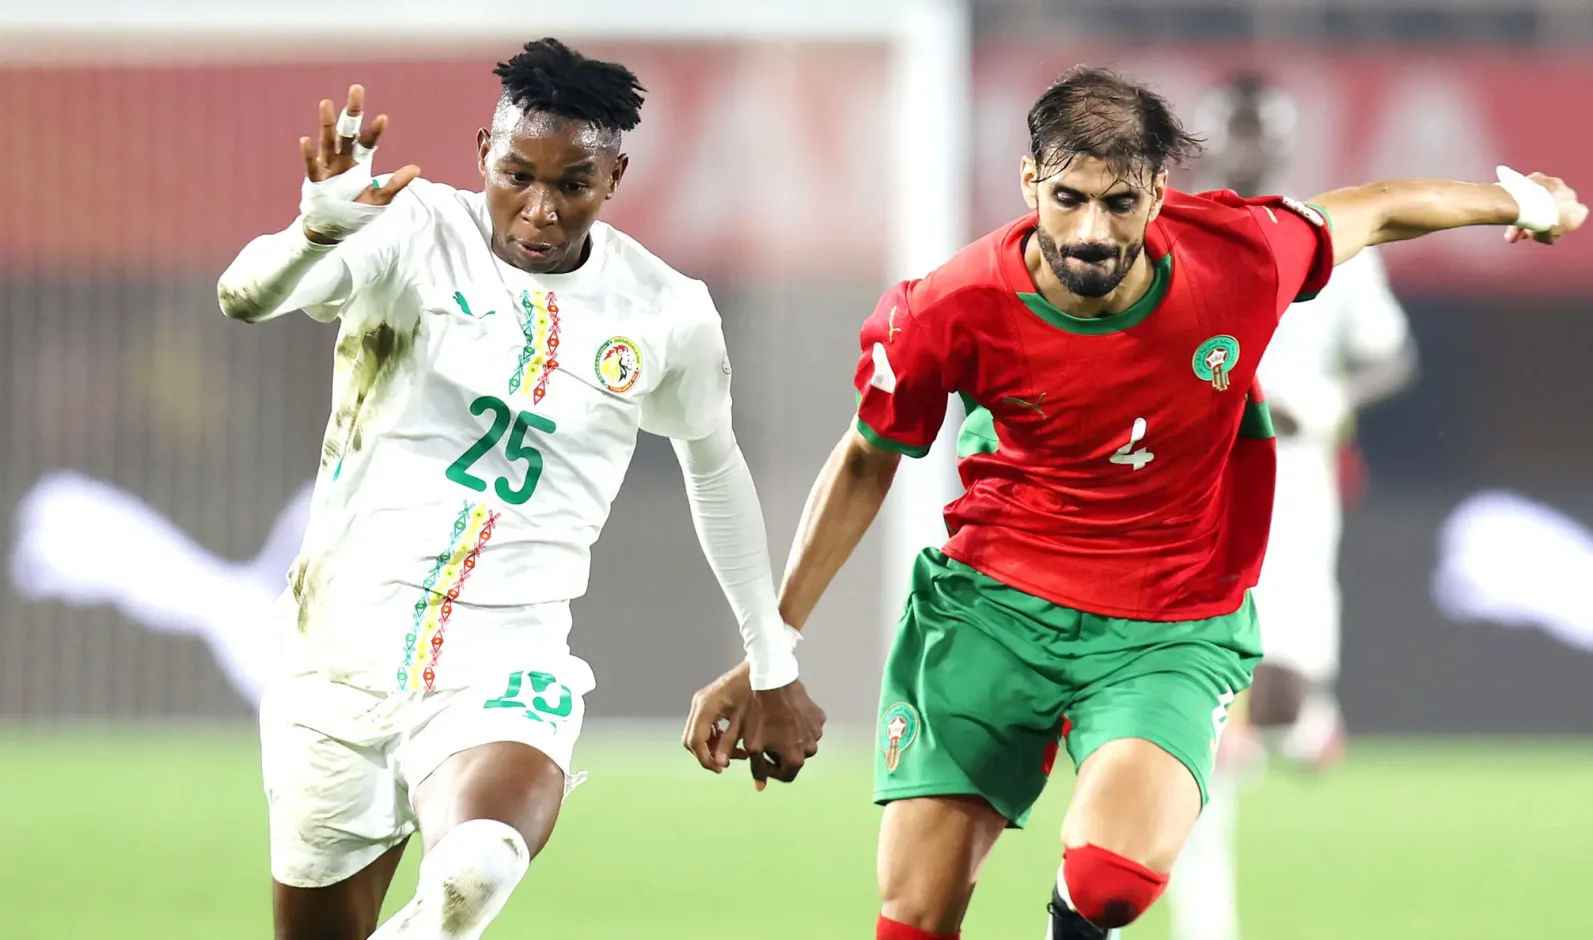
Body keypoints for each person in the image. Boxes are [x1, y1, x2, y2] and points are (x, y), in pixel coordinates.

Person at [682, 65, 1584, 940]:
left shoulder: (1236, 255)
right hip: (990, 615)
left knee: (1108, 883)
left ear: (1156, 193)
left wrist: (1522, 204)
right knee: (914, 917)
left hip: (1164, 628)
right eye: (1068, 197)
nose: (1090, 230)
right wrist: (772, 652)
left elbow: (1377, 208)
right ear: (1029, 182)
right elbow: (863, 463)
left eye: (1118, 202)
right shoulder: (946, 307)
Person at [216, 38, 824, 940]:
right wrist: (316, 232)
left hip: (503, 654)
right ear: (482, 154)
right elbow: (244, 297)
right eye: (517, 175)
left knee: (481, 858)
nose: (540, 209)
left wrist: (771, 664)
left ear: (614, 178)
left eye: (573, 183)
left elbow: (714, 468)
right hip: (337, 652)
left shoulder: (665, 309)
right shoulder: (409, 226)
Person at [1163, 72, 1421, 940]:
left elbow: (1391, 354)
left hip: (1296, 483)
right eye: (1231, 129)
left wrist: (1335, 398)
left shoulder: (1331, 236)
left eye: (1258, 131)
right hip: (1192, 484)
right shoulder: (1170, 235)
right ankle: (1205, 918)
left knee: (1274, 700)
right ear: (1207, 137)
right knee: (1194, 707)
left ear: (1283, 141)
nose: (1245, 147)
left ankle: (1298, 721)